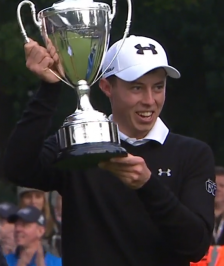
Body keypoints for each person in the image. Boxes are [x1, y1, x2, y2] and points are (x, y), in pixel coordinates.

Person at [2, 35, 216, 266]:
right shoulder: (80, 143)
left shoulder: (192, 154)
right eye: (136, 87)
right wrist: (49, 89)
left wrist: (148, 185)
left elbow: (196, 245)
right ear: (106, 87)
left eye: (158, 87)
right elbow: (17, 169)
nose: (149, 100)